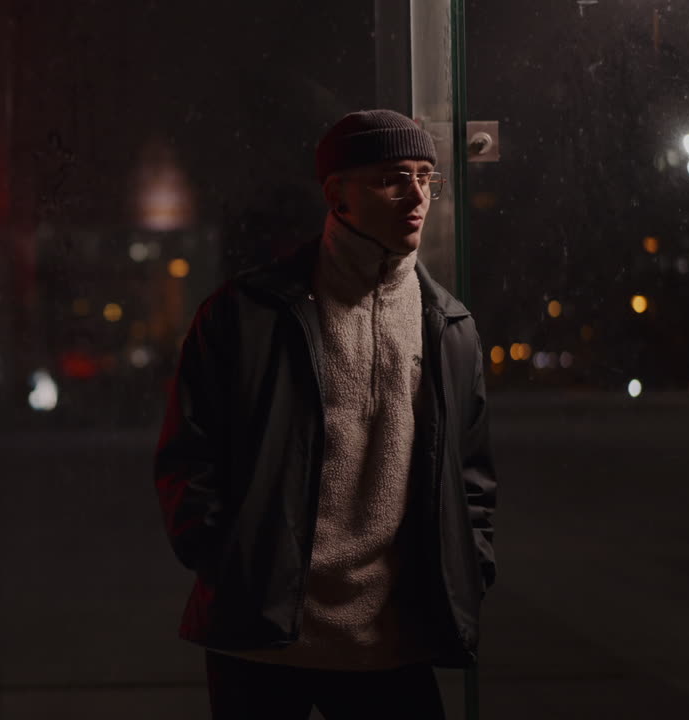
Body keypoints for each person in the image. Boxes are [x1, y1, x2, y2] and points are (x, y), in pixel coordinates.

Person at [154, 109, 497, 719]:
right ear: (337, 193)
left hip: (391, 643)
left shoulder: (450, 327)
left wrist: (470, 569)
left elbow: (472, 480)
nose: (417, 196)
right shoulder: (245, 314)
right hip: (262, 643)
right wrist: (231, 567)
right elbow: (187, 458)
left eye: (427, 177)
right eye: (395, 177)